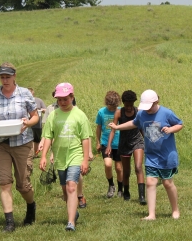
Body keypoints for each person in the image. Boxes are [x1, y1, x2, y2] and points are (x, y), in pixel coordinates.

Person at [109, 89, 183, 220]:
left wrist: (171, 129)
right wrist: (117, 127)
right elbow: (133, 123)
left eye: (150, 107)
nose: (147, 110)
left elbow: (179, 124)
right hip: (151, 155)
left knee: (167, 183)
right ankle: (151, 214)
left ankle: (175, 210)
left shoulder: (166, 113)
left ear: (156, 101)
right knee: (150, 182)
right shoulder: (142, 114)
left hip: (166, 155)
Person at [0, 62, 39, 233]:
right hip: (1, 144)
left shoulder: (24, 94)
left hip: (22, 142)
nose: (5, 80)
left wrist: (27, 123)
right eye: (2, 77)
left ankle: (31, 206)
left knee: (23, 185)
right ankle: (9, 222)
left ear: (15, 76)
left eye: (8, 77)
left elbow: (35, 117)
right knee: (4, 182)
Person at [39, 83, 92, 231]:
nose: (62, 102)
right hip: (60, 157)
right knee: (65, 190)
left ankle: (70, 223)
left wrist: (85, 159)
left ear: (72, 97)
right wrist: (43, 156)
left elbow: (85, 139)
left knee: (71, 187)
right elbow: (48, 136)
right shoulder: (53, 115)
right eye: (59, 99)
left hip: (75, 155)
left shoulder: (79, 115)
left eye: (65, 99)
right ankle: (73, 212)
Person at [107, 90, 146, 204]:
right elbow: (113, 129)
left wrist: (147, 142)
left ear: (134, 103)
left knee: (138, 167)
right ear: (123, 103)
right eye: (127, 105)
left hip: (137, 141)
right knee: (127, 171)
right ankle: (126, 192)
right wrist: (109, 145)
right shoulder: (119, 112)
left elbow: (141, 128)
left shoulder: (138, 112)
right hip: (124, 143)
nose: (129, 107)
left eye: (131, 105)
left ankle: (142, 196)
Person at [96, 91, 123, 198]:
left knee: (119, 168)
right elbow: (98, 128)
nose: (112, 108)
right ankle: (111, 185)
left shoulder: (121, 111)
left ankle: (120, 189)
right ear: (107, 103)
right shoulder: (101, 112)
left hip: (119, 143)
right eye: (110, 105)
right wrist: (98, 142)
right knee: (108, 164)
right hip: (105, 143)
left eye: (115, 105)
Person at [27, 87, 46, 158]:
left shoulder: (39, 100)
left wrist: (40, 109)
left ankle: (35, 153)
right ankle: (30, 154)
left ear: (33, 94)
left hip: (38, 124)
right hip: (28, 124)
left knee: (37, 139)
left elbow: (45, 110)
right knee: (29, 139)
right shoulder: (24, 102)